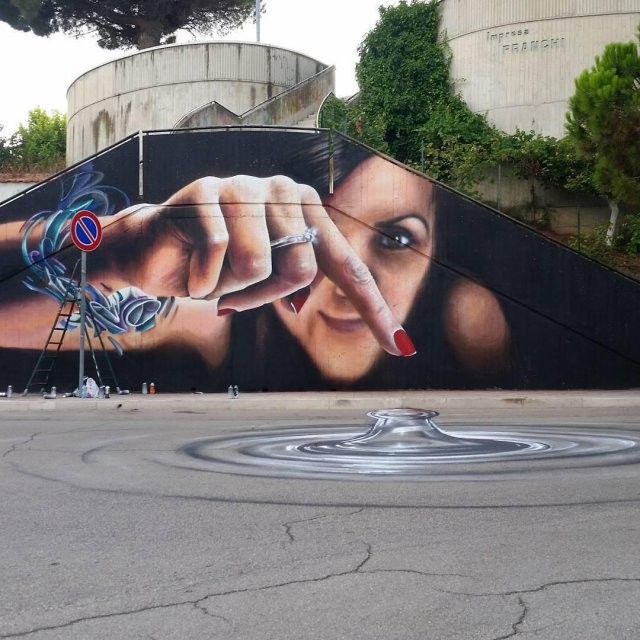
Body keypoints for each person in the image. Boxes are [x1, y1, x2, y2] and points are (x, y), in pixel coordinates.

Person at [0, 130, 511, 391]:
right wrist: (117, 250)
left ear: (436, 246)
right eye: (314, 239)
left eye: (396, 239)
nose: (344, 281)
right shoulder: (210, 309)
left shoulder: (469, 317)